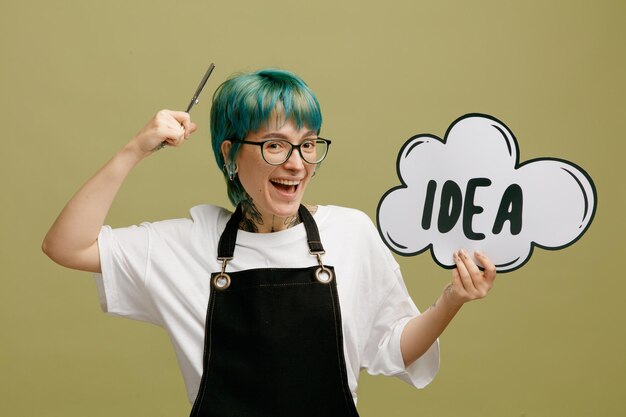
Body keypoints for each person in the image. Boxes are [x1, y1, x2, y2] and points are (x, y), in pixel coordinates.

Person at [42, 68, 496, 416]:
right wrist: (133, 150)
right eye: (275, 145)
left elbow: (392, 349)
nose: (297, 163)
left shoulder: (351, 233)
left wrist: (451, 300)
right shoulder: (187, 244)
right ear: (229, 154)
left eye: (308, 144)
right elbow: (67, 245)